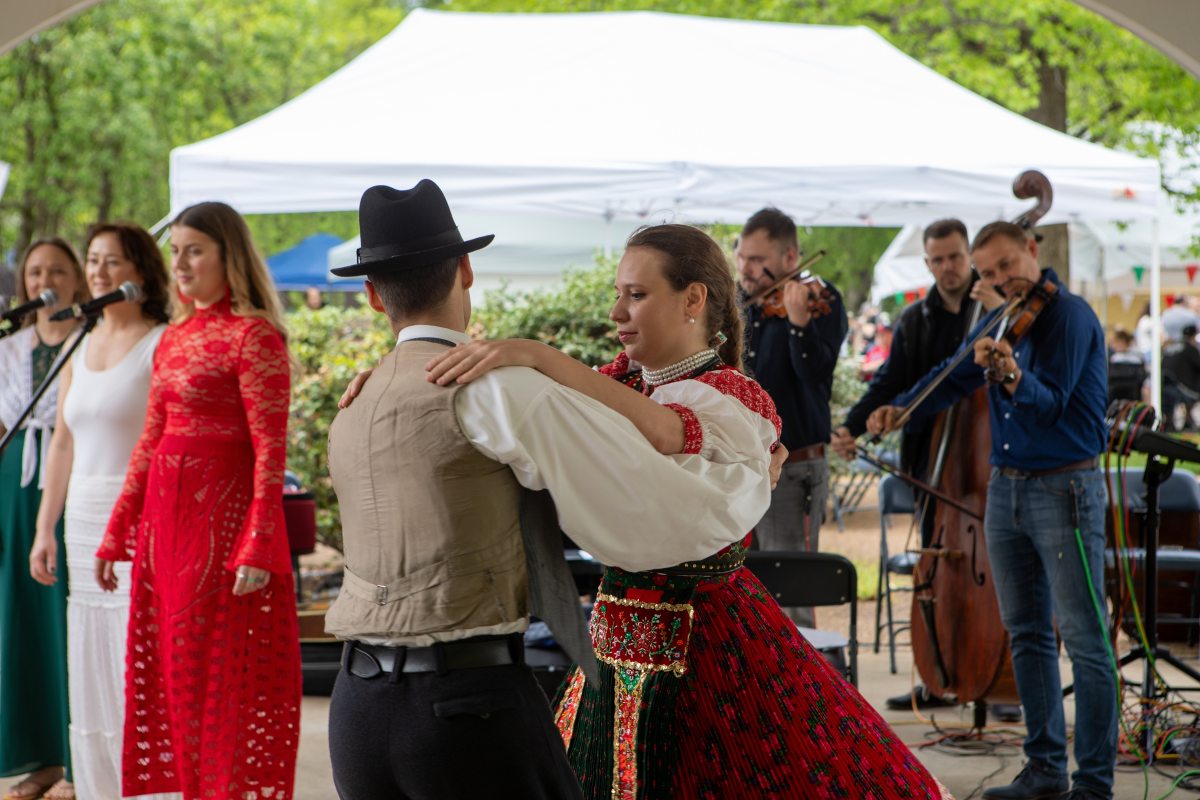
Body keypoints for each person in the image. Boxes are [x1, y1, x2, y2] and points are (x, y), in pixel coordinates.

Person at [424, 220, 953, 799]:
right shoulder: (619, 386)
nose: (617, 312)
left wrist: (537, 354)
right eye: (619, 294)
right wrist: (400, 383)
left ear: (693, 299)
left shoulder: (730, 397)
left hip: (709, 641)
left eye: (636, 294)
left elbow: (665, 432)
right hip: (613, 634)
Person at [324, 182, 783, 800]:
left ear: (373, 295)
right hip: (464, 703)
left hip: (356, 707)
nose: (618, 312)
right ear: (466, 271)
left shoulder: (358, 400)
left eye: (635, 294)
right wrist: (752, 479)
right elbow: (660, 500)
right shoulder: (505, 389)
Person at [868, 221, 1114, 800]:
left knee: (1084, 640)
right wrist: (902, 408)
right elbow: (953, 376)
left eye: (1007, 265)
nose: (1001, 279)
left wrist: (1011, 375)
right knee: (1025, 634)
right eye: (989, 272)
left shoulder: (1070, 316)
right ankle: (1045, 770)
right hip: (1005, 488)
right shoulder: (999, 317)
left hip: (1064, 487)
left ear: (1031, 249)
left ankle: (1094, 784)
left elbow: (1051, 405)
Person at [95, 203, 301, 800]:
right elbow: (149, 441)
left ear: (227, 256)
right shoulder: (175, 337)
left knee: (218, 681)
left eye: (194, 251)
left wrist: (258, 541)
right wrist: (117, 531)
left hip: (222, 530)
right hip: (165, 530)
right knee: (173, 679)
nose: (180, 264)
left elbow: (271, 450)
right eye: (176, 252)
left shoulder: (254, 336)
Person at [830, 219, 1008, 715]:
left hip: (987, 464)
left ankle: (996, 676)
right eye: (938, 260)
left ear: (969, 256)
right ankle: (940, 674)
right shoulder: (914, 319)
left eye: (955, 257)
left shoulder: (993, 310)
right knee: (938, 571)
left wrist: (997, 312)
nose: (948, 267)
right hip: (933, 463)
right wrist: (852, 426)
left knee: (1000, 574)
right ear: (927, 263)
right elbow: (889, 384)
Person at [29, 224, 172, 800]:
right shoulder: (79, 341)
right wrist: (45, 528)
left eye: (112, 261)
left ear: (141, 270)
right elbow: (62, 443)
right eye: (92, 260)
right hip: (83, 518)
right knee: (89, 659)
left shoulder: (162, 343)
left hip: (139, 519)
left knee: (134, 658)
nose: (98, 272)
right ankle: (98, 787)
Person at [0, 238, 87, 800]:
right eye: (35, 271)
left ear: (77, 278)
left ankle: (79, 760)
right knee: (21, 620)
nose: (45, 280)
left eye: (57, 270)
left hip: (74, 482)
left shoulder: (91, 339)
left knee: (69, 616)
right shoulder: (9, 347)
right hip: (13, 490)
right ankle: (40, 759)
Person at [736, 207, 848, 627]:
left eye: (756, 260)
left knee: (791, 601)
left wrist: (799, 325)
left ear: (789, 257)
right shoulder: (739, 301)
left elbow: (815, 374)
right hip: (740, 468)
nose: (745, 269)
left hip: (794, 467)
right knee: (742, 596)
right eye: (741, 257)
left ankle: (804, 671)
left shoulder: (821, 300)